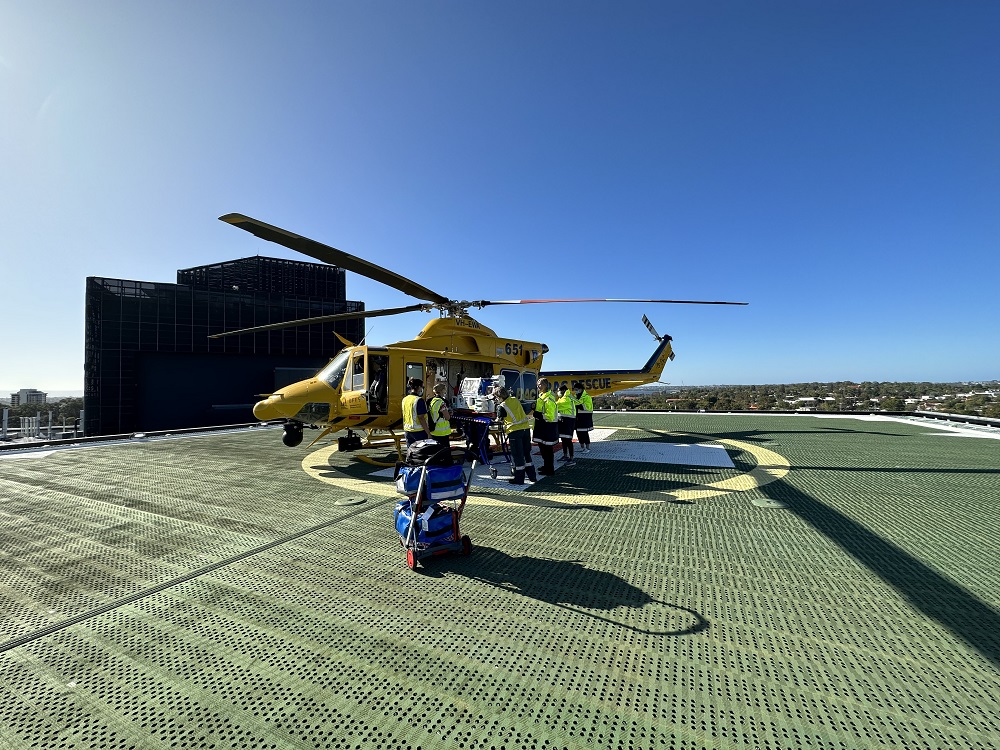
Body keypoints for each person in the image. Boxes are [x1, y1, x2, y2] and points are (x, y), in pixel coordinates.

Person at [494, 386, 536, 484]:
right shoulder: (514, 399)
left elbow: (499, 419)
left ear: (499, 397)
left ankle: (519, 479)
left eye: (496, 397)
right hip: (525, 429)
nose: (496, 400)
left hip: (515, 432)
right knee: (526, 454)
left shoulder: (502, 406)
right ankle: (532, 476)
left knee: (518, 456)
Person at [530, 377, 558, 475]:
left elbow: (549, 416)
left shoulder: (548, 398)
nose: (538, 386)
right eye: (537, 384)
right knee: (543, 449)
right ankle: (546, 466)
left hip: (547, 427)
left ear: (545, 385)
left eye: (540, 384)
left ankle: (550, 469)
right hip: (541, 427)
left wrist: (537, 414)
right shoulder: (541, 397)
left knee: (547, 450)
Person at [402, 377, 429, 446]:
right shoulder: (419, 400)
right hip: (419, 431)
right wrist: (428, 433)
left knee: (411, 452)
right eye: (422, 387)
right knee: (421, 453)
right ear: (419, 387)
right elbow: (421, 418)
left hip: (407, 430)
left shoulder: (405, 399)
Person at [555, 384, 577, 465]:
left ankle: (571, 458)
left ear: (563, 391)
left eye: (558, 391)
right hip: (563, 421)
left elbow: (556, 405)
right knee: (564, 439)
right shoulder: (563, 398)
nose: (558, 392)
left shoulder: (567, 398)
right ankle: (565, 456)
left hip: (568, 421)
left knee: (568, 440)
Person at [428, 382, 452, 453]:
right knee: (445, 451)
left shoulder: (432, 401)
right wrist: (449, 414)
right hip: (442, 431)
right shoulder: (441, 402)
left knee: (436, 451)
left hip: (434, 429)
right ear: (442, 391)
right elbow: (447, 417)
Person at [572, 381, 594, 453]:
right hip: (578, 418)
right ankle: (582, 447)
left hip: (585, 418)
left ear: (581, 389)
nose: (576, 391)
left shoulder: (587, 397)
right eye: (575, 389)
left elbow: (588, 407)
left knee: (584, 433)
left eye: (577, 389)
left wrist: (579, 406)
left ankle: (587, 448)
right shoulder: (575, 397)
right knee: (579, 433)